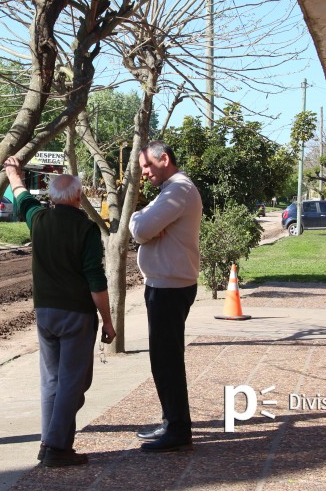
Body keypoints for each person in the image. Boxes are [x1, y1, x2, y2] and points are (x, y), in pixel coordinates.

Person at [4, 157, 116, 468]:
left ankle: (49, 443)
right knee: (73, 383)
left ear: (52, 197)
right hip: (76, 315)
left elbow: (20, 194)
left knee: (51, 380)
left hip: (45, 314)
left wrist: (13, 172)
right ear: (78, 197)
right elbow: (96, 279)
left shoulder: (38, 220)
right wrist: (107, 320)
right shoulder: (87, 229)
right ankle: (56, 446)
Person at [128, 140, 202, 453]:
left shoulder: (178, 190)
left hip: (170, 287)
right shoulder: (171, 191)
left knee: (166, 359)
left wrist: (141, 224)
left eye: (147, 166)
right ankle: (172, 422)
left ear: (165, 159)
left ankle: (178, 429)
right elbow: (141, 222)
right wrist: (140, 222)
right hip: (165, 284)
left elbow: (141, 226)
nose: (143, 173)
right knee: (163, 358)